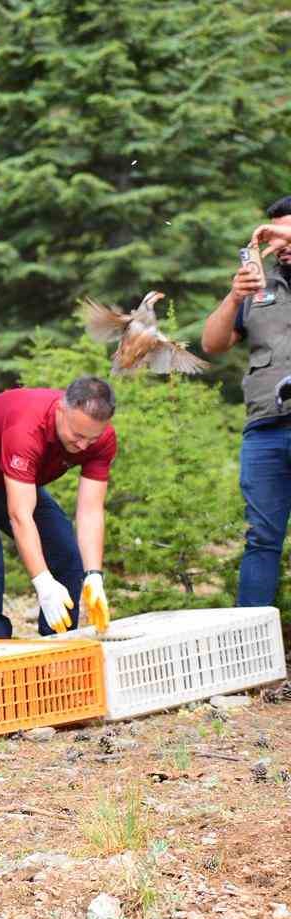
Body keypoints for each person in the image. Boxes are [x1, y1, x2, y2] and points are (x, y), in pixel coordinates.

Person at [0, 378, 117, 637]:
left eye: (92, 438)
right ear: (60, 410)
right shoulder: (27, 427)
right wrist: (42, 582)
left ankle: (55, 652)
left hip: (20, 481)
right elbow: (20, 516)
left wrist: (94, 575)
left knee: (68, 556)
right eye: (77, 435)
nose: (84, 446)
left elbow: (90, 510)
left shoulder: (102, 440)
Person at [201, 202, 291, 621]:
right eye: (272, 235)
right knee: (261, 538)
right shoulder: (260, 287)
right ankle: (248, 641)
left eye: (284, 235)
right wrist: (234, 295)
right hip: (265, 429)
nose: (278, 244)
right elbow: (212, 343)